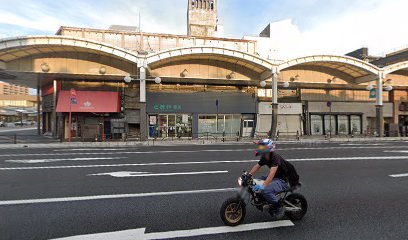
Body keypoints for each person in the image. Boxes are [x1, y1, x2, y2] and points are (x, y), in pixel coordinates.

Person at [249, 139, 289, 215]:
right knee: (254, 182)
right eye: (260, 147)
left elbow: (272, 173)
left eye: (262, 147)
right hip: (275, 178)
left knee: (265, 189)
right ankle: (264, 200)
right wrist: (248, 175)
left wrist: (263, 186)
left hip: (282, 181)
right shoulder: (265, 157)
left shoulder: (275, 157)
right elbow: (257, 166)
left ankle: (279, 206)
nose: (260, 148)